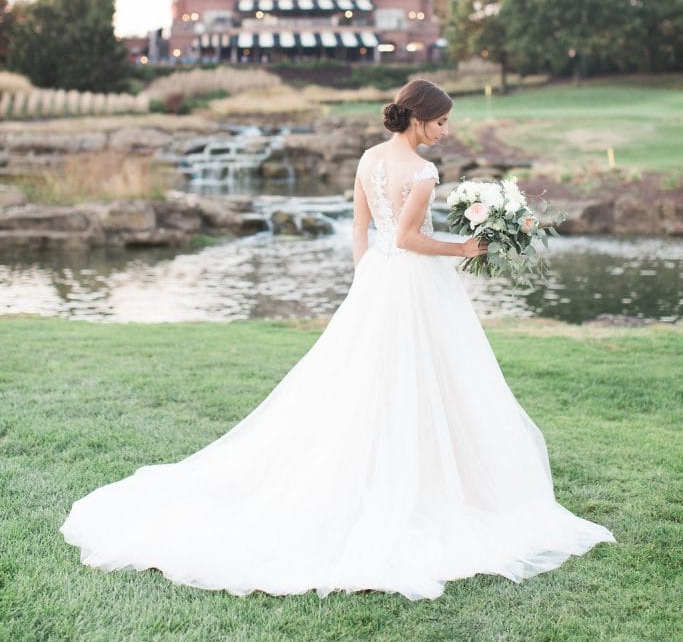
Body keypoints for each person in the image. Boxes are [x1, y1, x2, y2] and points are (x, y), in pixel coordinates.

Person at [60, 78, 615, 600]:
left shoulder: (370, 159)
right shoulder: (422, 174)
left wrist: (364, 273)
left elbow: (364, 230)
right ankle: (419, 484)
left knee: (366, 380)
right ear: (418, 120)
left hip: (378, 278)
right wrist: (464, 250)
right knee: (421, 377)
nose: (446, 132)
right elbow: (410, 238)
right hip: (413, 282)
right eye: (441, 122)